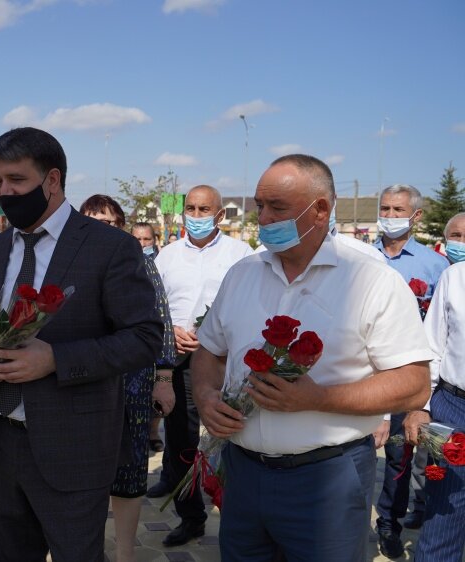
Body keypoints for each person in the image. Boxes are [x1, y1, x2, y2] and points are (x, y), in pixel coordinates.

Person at [193, 154, 432, 561]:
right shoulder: (242, 274)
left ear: (320, 210)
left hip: (327, 480)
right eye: (260, 205)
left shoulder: (372, 281)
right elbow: (209, 352)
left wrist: (318, 399)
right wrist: (205, 397)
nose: (263, 218)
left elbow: (413, 384)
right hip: (244, 473)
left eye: (277, 207)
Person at [0, 127, 163, 562]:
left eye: (15, 180)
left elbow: (144, 338)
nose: (3, 192)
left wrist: (56, 359)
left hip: (74, 446)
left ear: (52, 180)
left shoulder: (110, 247)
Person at [148, 184, 253, 546]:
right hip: (177, 362)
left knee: (232, 437)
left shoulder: (242, 254)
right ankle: (190, 515)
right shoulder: (167, 256)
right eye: (190, 209)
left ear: (220, 214)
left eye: (203, 209)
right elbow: (153, 305)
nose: (195, 216)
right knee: (181, 440)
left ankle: (236, 514)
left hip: (225, 360)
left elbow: (251, 305)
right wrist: (170, 331)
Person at [79, 195, 176, 562]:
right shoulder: (68, 263)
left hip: (132, 384)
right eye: (94, 221)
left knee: (130, 468)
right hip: (81, 380)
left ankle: (124, 553)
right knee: (80, 470)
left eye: (110, 223)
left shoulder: (139, 263)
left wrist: (163, 376)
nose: (103, 230)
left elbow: (161, 319)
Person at [371, 183, 450, 558]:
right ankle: (374, 522)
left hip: (416, 377)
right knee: (377, 455)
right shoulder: (362, 259)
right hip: (368, 376)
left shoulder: (436, 266)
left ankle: (407, 518)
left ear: (416, 216)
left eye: (397, 210)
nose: (388, 216)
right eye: (384, 208)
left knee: (417, 457)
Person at [404, 254, 465, 561]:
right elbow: (432, 346)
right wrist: (421, 406)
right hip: (455, 410)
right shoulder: (455, 277)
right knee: (443, 517)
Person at [131, 221, 170, 452]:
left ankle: (153, 431)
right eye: (137, 239)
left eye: (147, 239)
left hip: (160, 335)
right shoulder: (127, 262)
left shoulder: (161, 262)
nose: (142, 244)